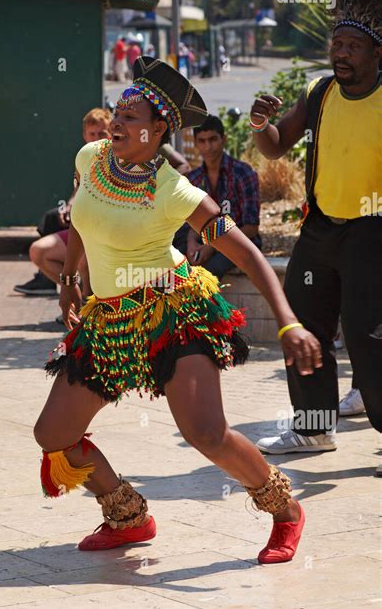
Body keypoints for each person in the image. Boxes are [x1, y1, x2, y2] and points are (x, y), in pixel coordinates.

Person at [33, 55, 322, 563]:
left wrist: (289, 322)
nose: (117, 122)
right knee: (54, 433)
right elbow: (83, 217)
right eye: (117, 112)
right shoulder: (90, 158)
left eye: (131, 117)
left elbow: (248, 254)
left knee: (205, 433)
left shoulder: (176, 191)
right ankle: (127, 516)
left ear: (158, 130)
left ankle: (284, 510)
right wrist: (72, 276)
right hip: (110, 318)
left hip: (173, 312)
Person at [248, 0, 381, 474]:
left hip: (374, 232)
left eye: (353, 45)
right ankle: (313, 428)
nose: (341, 52)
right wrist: (260, 124)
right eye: (336, 42)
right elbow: (276, 144)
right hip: (321, 228)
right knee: (304, 328)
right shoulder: (322, 92)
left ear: (376, 54)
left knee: (372, 338)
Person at [14, 108, 112, 299]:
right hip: (82, 227)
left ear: (111, 133)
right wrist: (67, 207)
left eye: (102, 133)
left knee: (85, 257)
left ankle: (88, 307)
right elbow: (77, 190)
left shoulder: (118, 158)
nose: (96, 138)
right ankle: (74, 295)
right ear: (84, 135)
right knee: (38, 251)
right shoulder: (84, 159)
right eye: (92, 134)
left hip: (106, 231)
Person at [173, 115, 261, 280]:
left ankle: (205, 305)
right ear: (196, 143)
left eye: (213, 139)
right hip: (203, 237)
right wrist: (192, 243)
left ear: (223, 139)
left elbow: (251, 227)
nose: (208, 147)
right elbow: (191, 221)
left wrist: (211, 247)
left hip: (240, 239)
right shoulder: (194, 178)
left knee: (210, 270)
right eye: (202, 141)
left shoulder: (243, 173)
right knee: (174, 259)